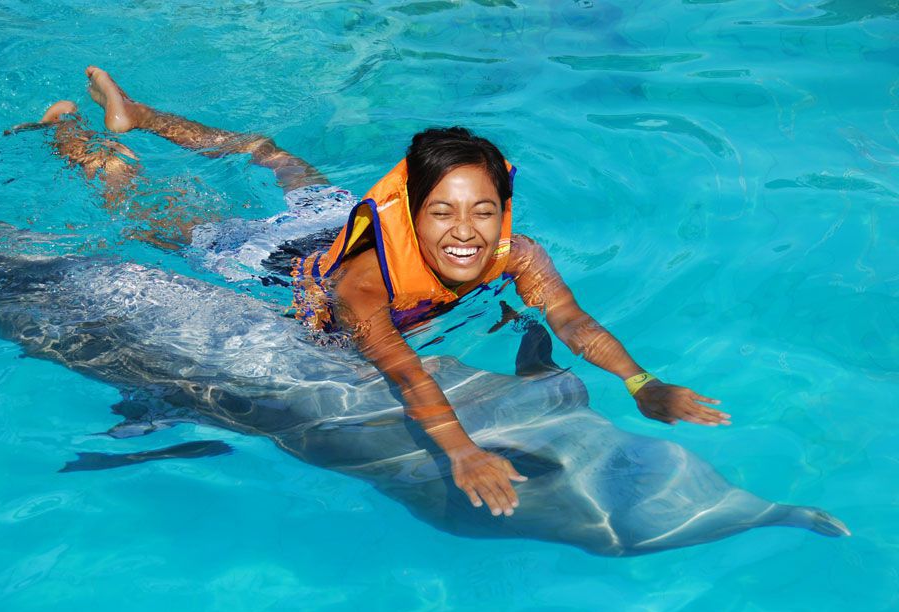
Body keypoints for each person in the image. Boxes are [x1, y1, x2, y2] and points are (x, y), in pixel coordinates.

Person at [38, 66, 732, 518]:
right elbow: (404, 372)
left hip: (332, 221)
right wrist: (461, 451)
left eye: (484, 211)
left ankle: (136, 115)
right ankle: (79, 144)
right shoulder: (364, 286)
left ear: (504, 210)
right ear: (413, 211)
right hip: (285, 264)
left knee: (268, 152)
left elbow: (573, 323)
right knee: (151, 221)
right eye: (444, 213)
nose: (466, 233)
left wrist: (641, 383)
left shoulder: (516, 254)